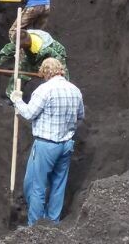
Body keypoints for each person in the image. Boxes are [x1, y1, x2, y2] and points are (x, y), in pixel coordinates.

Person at [8, 58, 83, 225]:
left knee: (36, 186)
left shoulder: (44, 90)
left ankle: (35, 227)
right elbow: (80, 117)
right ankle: (53, 223)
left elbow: (28, 114)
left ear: (45, 73)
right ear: (60, 70)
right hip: (66, 145)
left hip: (46, 145)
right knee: (58, 185)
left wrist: (17, 100)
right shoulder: (75, 90)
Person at [0, 29, 69, 91]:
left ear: (26, 44)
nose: (19, 48)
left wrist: (43, 71)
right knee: (20, 72)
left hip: (54, 56)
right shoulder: (22, 38)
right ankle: (13, 98)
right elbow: (9, 49)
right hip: (33, 53)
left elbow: (60, 64)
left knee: (54, 75)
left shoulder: (45, 48)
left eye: (20, 47)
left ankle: (61, 91)